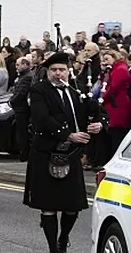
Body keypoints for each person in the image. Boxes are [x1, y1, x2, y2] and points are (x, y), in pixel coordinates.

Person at [24, 52, 103, 253]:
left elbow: (95, 112)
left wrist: (98, 125)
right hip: (46, 153)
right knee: (48, 206)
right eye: (54, 70)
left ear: (68, 71)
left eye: (62, 70)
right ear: (47, 72)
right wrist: (68, 135)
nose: (58, 74)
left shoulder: (75, 91)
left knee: (72, 206)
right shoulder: (38, 90)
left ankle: (63, 238)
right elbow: (42, 119)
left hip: (71, 154)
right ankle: (53, 249)